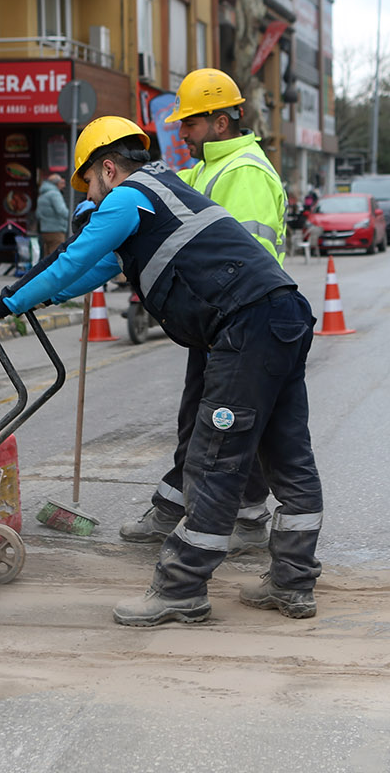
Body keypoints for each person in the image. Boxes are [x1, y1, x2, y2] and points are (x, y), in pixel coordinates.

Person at [0, 116, 323, 627]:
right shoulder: (164, 193)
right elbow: (87, 272)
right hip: (283, 315)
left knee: (213, 460)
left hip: (246, 326)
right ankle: (293, 583)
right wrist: (39, 300)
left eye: (90, 185)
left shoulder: (129, 197)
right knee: (288, 452)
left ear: (107, 168)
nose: (93, 196)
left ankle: (181, 589)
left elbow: (68, 259)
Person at [118, 67, 287, 554]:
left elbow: (247, 260)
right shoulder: (210, 167)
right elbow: (161, 192)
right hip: (219, 322)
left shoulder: (245, 172)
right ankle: (237, 513)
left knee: (212, 421)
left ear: (220, 121)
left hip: (236, 320)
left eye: (189, 123)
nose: (181, 131)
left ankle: (184, 513)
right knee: (221, 420)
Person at [36, 171, 69, 260]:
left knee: (47, 258)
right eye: (62, 183)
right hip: (56, 231)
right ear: (56, 183)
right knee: (56, 258)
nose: (64, 185)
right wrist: (71, 215)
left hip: (45, 231)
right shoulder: (54, 194)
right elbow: (62, 211)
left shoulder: (42, 194)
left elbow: (38, 214)